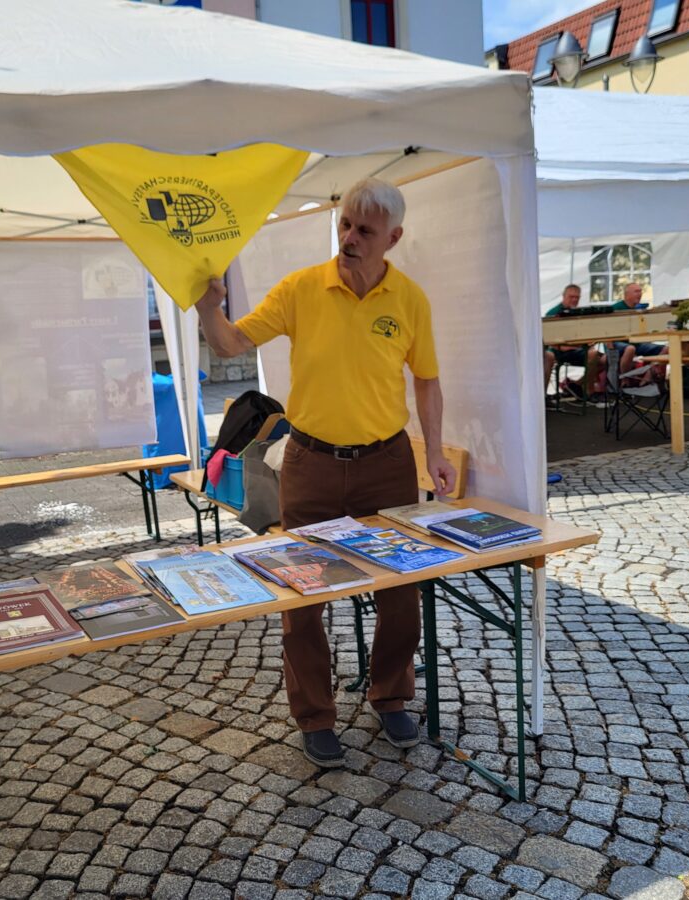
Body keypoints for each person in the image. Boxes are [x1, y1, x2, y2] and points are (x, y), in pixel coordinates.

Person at [195, 177, 455, 768]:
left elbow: (428, 380)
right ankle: (314, 716)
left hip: (387, 464)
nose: (350, 238)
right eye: (344, 225)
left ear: (393, 237)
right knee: (301, 598)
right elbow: (232, 343)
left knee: (400, 594)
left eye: (365, 230)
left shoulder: (410, 299)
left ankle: (390, 697)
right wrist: (210, 306)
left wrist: (435, 451)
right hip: (310, 462)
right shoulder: (301, 288)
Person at [543, 284, 602, 400]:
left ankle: (577, 385)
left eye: (577, 297)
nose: (575, 299)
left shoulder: (579, 312)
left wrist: (590, 341)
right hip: (558, 350)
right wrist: (563, 347)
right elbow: (547, 339)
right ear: (564, 296)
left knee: (604, 359)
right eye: (571, 297)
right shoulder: (553, 313)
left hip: (576, 349)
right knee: (548, 356)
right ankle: (543, 397)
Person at [611, 283, 663, 380]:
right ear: (627, 294)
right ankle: (625, 380)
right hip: (619, 342)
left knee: (666, 349)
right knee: (630, 349)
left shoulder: (640, 309)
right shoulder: (616, 309)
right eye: (636, 291)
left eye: (640, 291)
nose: (640, 294)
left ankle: (648, 377)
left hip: (637, 342)